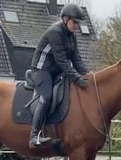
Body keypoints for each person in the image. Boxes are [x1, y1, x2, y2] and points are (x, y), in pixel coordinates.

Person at [28, 3, 90, 148]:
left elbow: (76, 59)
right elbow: (61, 60)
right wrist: (76, 77)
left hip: (57, 71)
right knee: (47, 97)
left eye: (78, 23)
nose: (76, 26)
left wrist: (88, 75)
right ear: (65, 19)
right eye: (74, 22)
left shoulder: (71, 35)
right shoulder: (55, 32)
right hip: (42, 70)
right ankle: (34, 135)